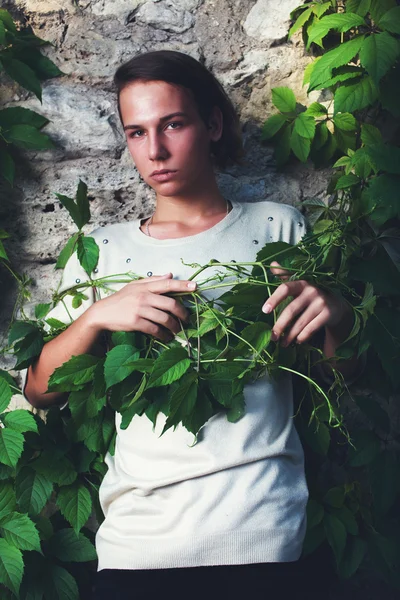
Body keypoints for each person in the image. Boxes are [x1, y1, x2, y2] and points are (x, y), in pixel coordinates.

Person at [24, 50, 358, 599]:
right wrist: (96, 316)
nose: (154, 150)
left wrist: (337, 315)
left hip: (263, 534)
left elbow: (340, 374)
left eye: (172, 124)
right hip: (138, 549)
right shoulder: (102, 251)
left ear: (213, 124)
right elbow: (42, 391)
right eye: (136, 132)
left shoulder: (277, 227)